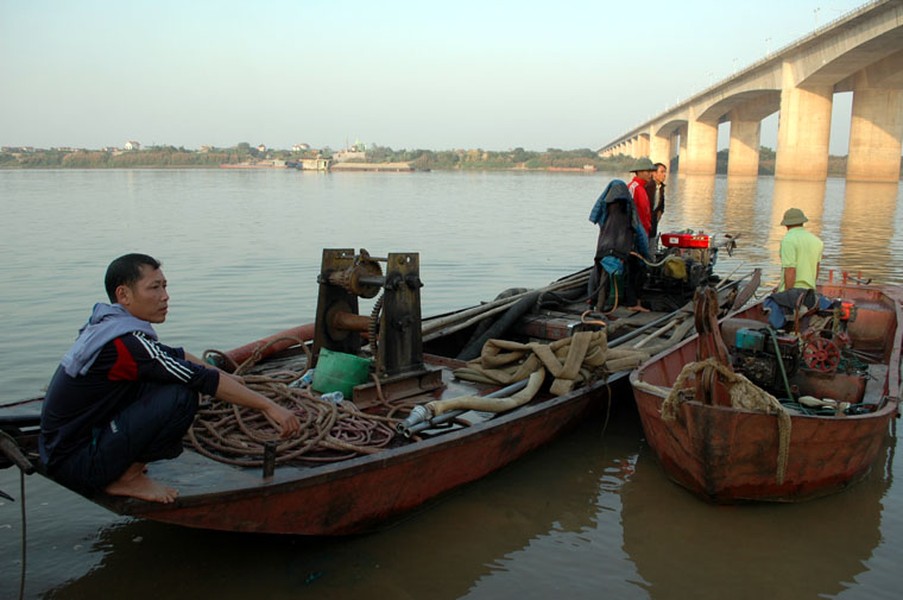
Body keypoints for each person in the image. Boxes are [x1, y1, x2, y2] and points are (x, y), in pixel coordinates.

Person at [39, 253, 301, 504]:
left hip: (59, 450)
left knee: (167, 377)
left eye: (164, 286)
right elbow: (199, 379)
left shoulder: (107, 326)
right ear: (124, 294)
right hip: (76, 464)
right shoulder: (127, 344)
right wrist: (269, 406)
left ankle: (119, 466)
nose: (165, 297)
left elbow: (174, 356)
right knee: (181, 394)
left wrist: (226, 376)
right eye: (154, 288)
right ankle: (128, 478)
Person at [588, 179, 651, 312]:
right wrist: (646, 255)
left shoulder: (605, 213)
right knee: (638, 269)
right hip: (621, 254)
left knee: (597, 272)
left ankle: (592, 302)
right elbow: (641, 235)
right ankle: (633, 303)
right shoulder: (629, 212)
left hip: (601, 252)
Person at [764, 208, 827, 328]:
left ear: (786, 225)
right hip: (809, 293)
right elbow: (816, 270)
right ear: (802, 223)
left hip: (796, 293)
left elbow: (790, 270)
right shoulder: (817, 241)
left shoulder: (788, 240)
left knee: (769, 302)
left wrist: (788, 295)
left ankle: (777, 332)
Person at [644, 162, 667, 241]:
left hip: (653, 223)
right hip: (644, 224)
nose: (664, 175)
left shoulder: (661, 187)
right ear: (654, 173)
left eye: (665, 172)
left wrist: (660, 213)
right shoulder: (647, 186)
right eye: (662, 172)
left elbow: (661, 206)